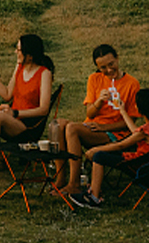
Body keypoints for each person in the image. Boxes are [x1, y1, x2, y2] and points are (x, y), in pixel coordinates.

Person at [57, 44, 141, 195]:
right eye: (103, 67)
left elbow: (130, 123)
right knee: (58, 124)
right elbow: (90, 112)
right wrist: (99, 102)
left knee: (72, 128)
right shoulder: (94, 79)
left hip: (114, 134)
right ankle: (60, 179)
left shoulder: (132, 84)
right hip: (92, 127)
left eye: (111, 64)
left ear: (117, 58)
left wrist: (104, 128)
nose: (108, 70)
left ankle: (74, 183)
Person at [69, 88, 149, 209]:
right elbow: (135, 132)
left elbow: (121, 145)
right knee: (105, 152)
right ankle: (94, 188)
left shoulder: (145, 131)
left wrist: (95, 150)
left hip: (138, 163)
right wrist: (123, 111)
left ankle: (94, 198)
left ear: (140, 110)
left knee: (99, 156)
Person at [0, 34, 54, 176]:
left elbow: (44, 109)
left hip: (28, 125)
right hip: (13, 119)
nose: (16, 52)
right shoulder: (19, 68)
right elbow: (7, 94)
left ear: (30, 55)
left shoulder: (44, 73)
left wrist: (15, 113)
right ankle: (0, 160)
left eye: (19, 50)